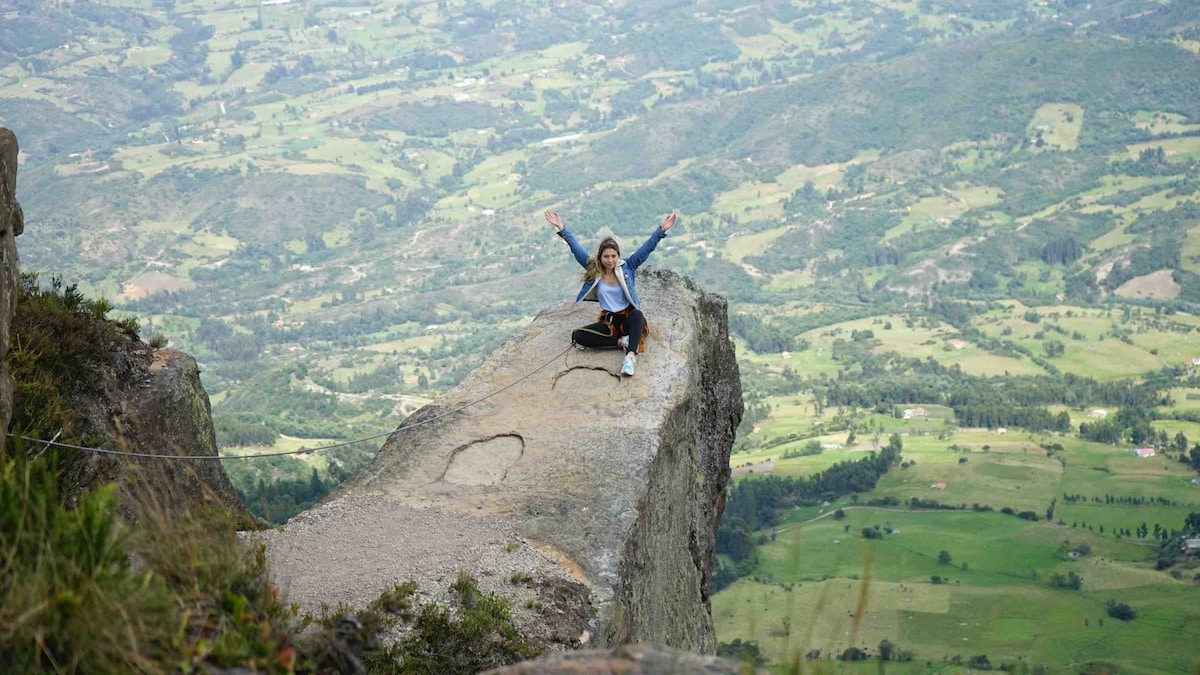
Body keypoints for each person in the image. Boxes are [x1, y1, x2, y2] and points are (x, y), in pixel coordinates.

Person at [544, 209, 677, 376]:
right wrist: (561, 228)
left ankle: (630, 355)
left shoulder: (628, 266)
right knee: (578, 336)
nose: (610, 260)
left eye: (613, 256)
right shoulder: (595, 270)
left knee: (638, 315)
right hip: (609, 323)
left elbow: (646, 249)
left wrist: (662, 230)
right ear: (600, 257)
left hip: (628, 319)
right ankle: (623, 341)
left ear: (618, 256)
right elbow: (576, 250)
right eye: (606, 256)